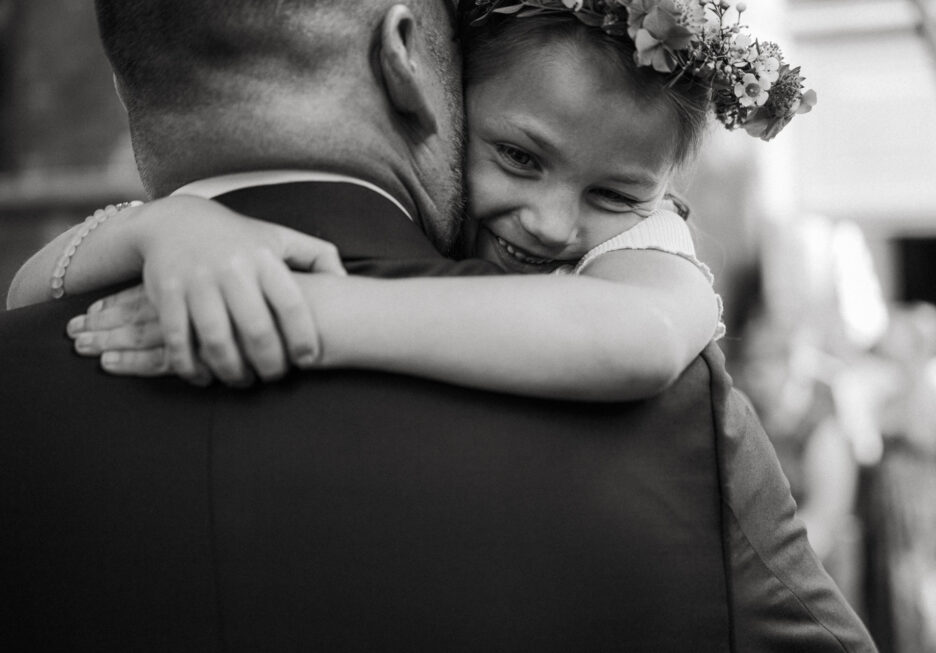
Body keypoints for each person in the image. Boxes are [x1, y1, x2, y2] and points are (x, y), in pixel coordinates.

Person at [0, 0, 876, 650]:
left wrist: (311, 306)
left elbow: (637, 335)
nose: (550, 225)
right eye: (518, 158)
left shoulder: (650, 277)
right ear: (420, 68)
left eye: (613, 196)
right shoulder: (688, 422)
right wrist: (156, 229)